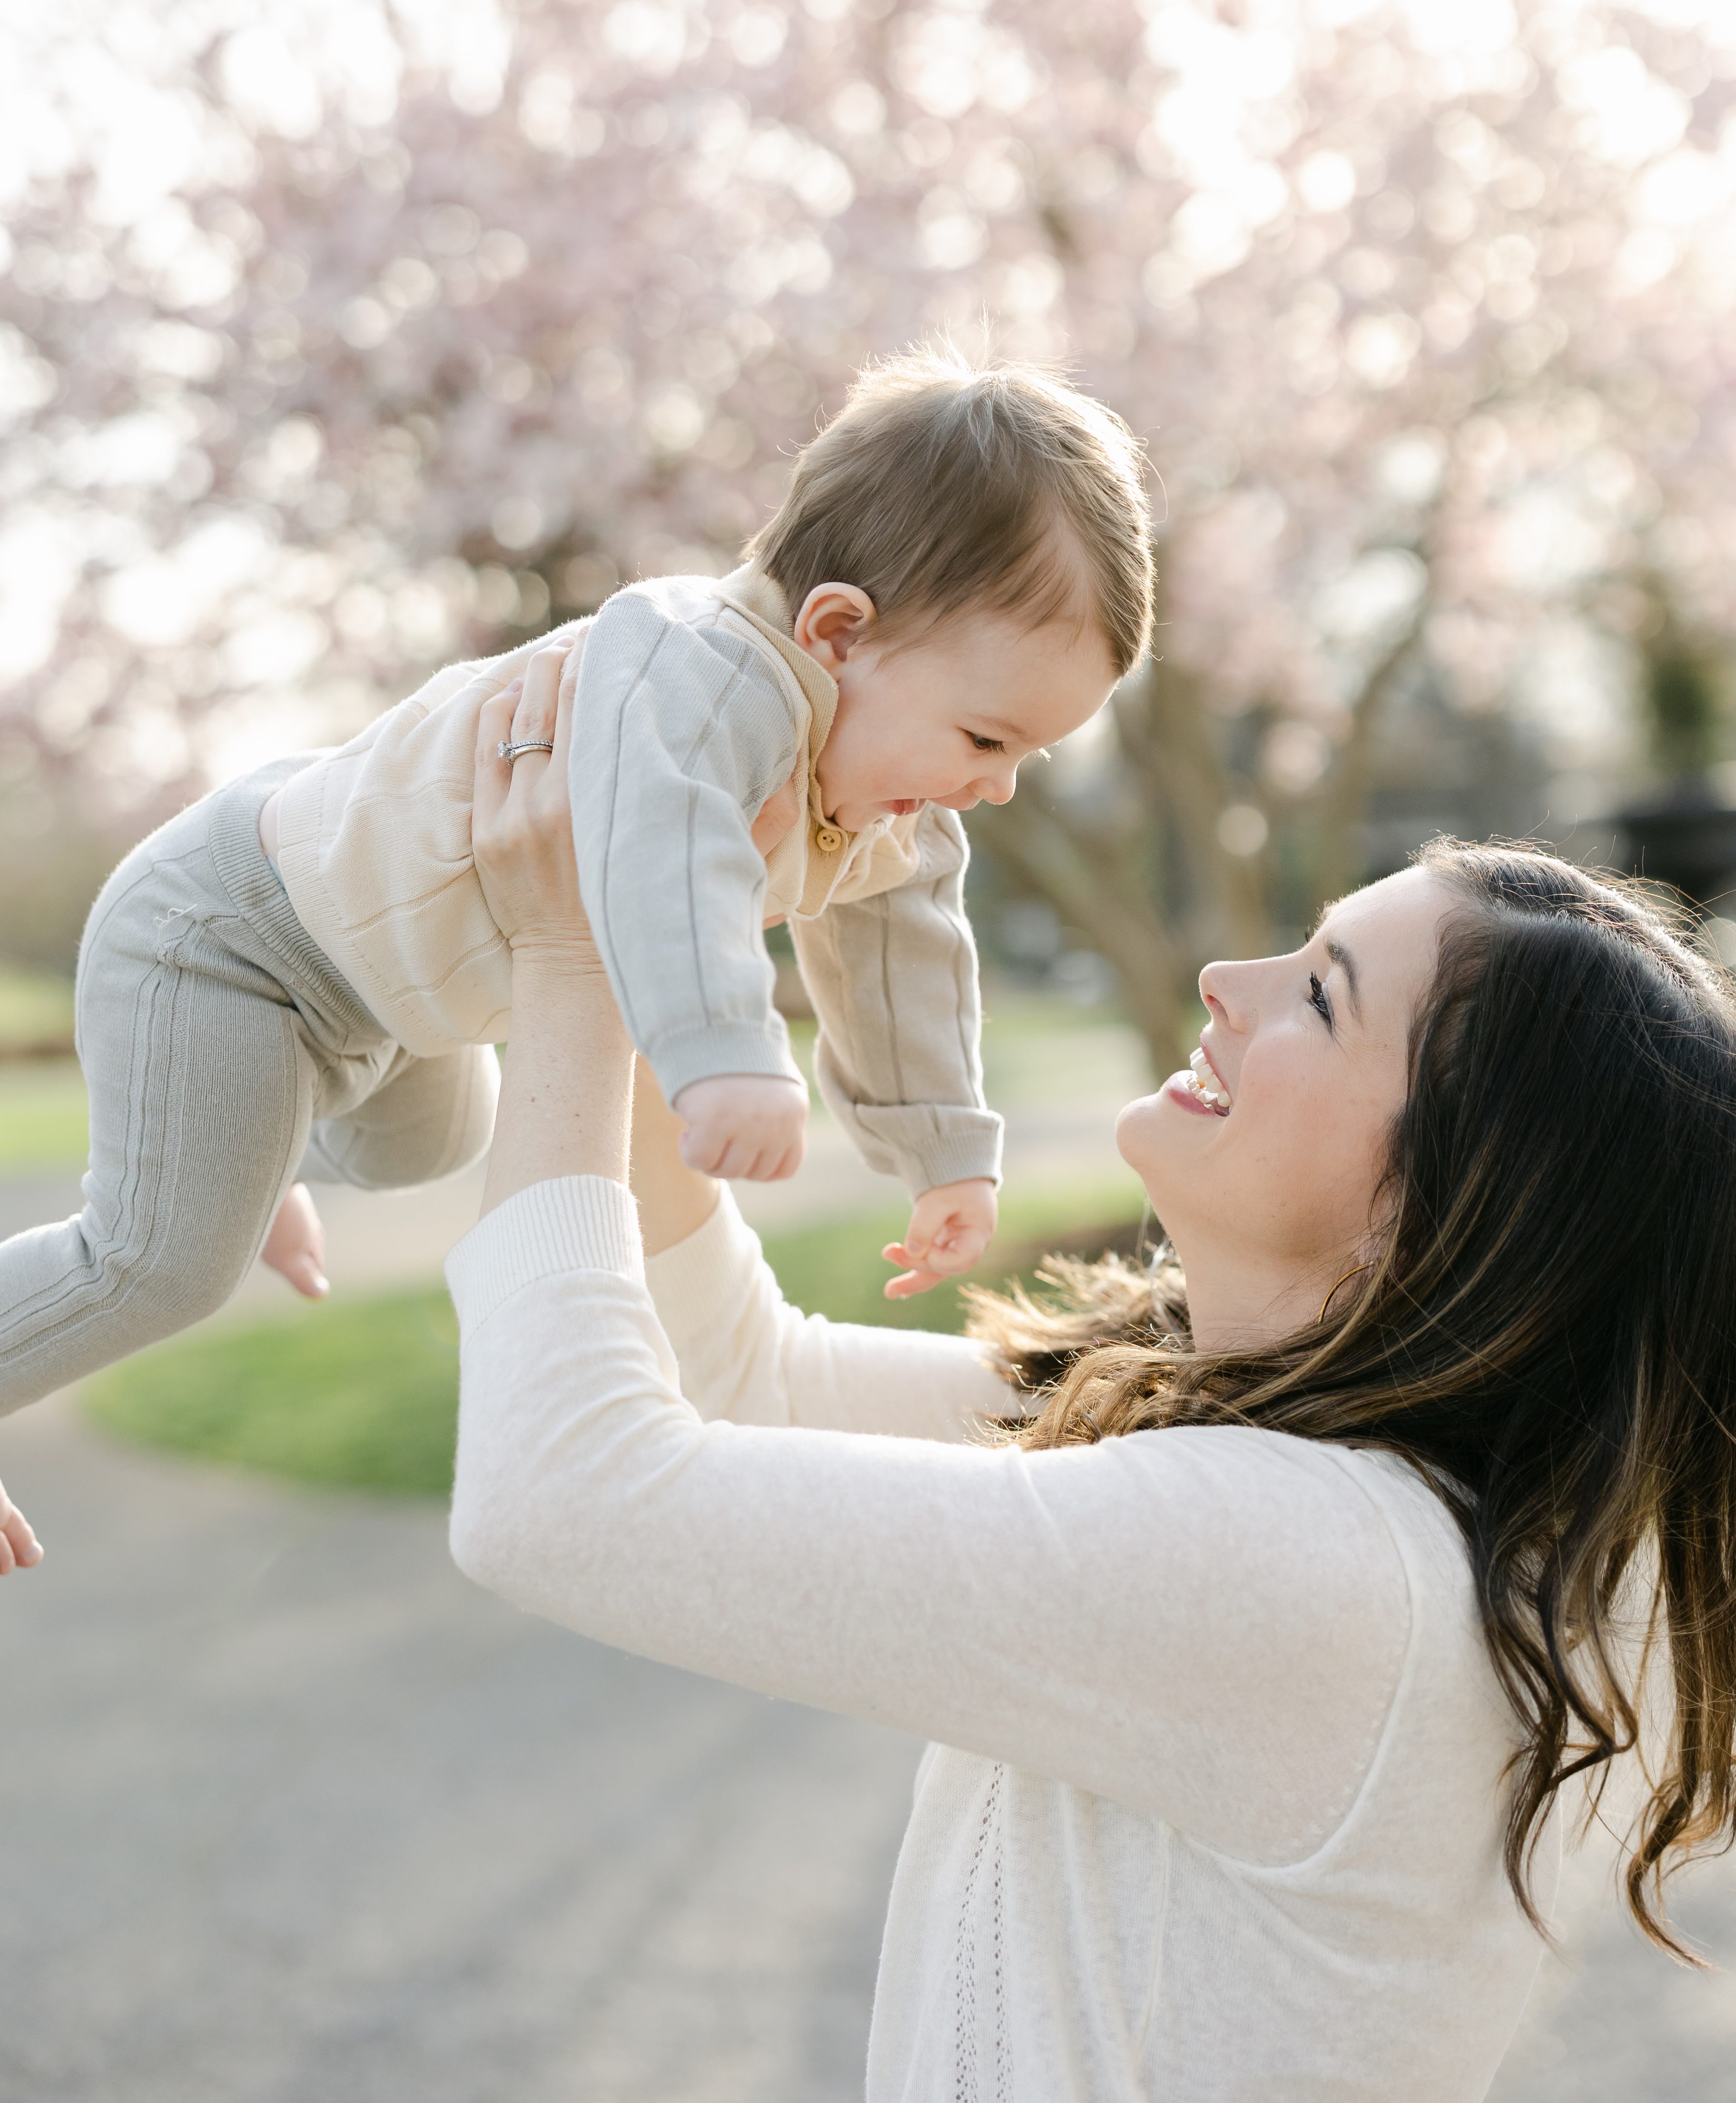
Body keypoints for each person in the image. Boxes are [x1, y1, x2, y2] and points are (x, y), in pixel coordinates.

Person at [446, 639, 1736, 2102]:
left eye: (1318, 998)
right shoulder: (1291, 1450)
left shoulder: (1320, 1564)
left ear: (1451, 1204)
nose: (1225, 981)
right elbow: (743, 1375)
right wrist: (643, 935)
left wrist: (563, 958)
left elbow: (557, 1502)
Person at [0, 352, 1150, 1417]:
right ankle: (193, 1172)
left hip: (385, 1008)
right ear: (838, 631)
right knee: (162, 1267)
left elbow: (909, 963)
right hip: (235, 933)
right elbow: (665, 857)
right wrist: (726, 1057)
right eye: (987, 739)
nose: (995, 788)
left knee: (428, 1149)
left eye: (1024, 759)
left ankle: (222, 1142)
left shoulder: (897, 788)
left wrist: (945, 1149)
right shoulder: (691, 670)